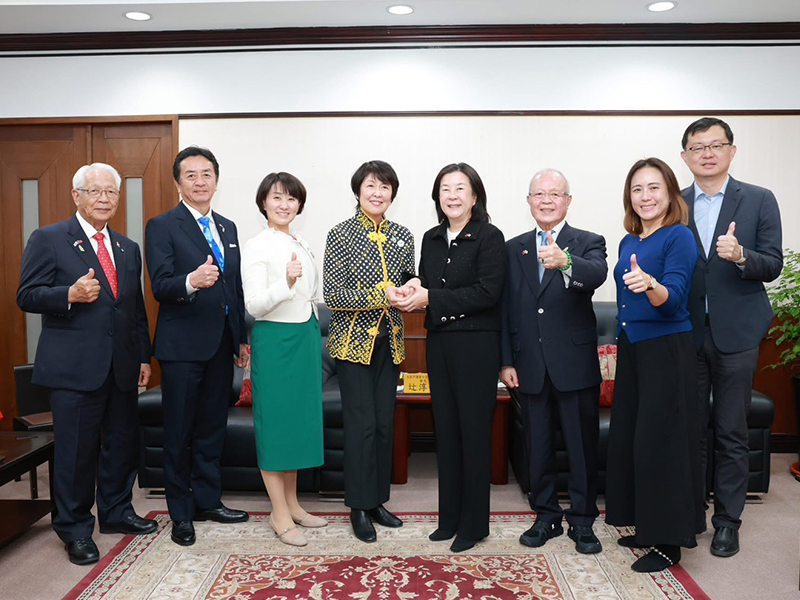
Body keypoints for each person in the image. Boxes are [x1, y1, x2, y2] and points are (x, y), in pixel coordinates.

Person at [17, 163, 155, 565]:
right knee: (76, 452)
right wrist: (68, 294)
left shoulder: (127, 247)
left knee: (120, 445)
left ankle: (116, 512)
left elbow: (134, 309)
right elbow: (27, 294)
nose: (104, 199)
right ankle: (75, 529)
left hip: (122, 365)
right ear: (76, 195)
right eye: (95, 191)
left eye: (111, 192)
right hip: (73, 368)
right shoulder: (49, 238)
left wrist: (143, 355)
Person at [680, 118, 783, 557]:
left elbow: (773, 263)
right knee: (690, 429)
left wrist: (742, 256)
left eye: (715, 145)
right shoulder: (674, 203)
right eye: (697, 147)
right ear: (684, 156)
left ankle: (727, 522)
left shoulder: (759, 199)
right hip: (685, 331)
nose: (707, 153)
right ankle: (690, 515)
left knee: (731, 429)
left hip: (737, 331)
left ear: (731, 151)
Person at [393, 163, 506, 553]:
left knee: (473, 433)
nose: (452, 195)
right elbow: (429, 281)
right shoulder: (432, 237)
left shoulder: (490, 237)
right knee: (447, 430)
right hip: (439, 343)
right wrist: (414, 285)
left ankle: (474, 525)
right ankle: (450, 519)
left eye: (461, 188)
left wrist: (431, 297)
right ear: (437, 197)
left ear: (475, 196)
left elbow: (487, 293)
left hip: (476, 346)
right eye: (445, 188)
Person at [145, 146, 249, 547]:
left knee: (211, 429)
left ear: (216, 181)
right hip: (182, 347)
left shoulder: (227, 227)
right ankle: (181, 513)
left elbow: (234, 288)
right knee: (179, 431)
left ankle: (208, 501)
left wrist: (240, 338)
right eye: (191, 175)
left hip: (221, 344)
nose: (200, 181)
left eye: (207, 174)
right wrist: (192, 281)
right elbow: (160, 285)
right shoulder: (162, 225)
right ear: (178, 182)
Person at [499, 169, 607, 555]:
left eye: (555, 194)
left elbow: (596, 275)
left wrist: (566, 262)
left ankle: (582, 520)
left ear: (568, 201)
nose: (546, 200)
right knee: (538, 447)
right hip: (529, 365)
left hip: (574, 364)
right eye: (539, 194)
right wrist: (505, 361)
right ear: (529, 201)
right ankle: (545, 515)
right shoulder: (512, 248)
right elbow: (505, 308)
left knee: (581, 447)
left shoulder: (588, 241)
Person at [605, 157, 703, 572]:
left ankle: (669, 542)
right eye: (637, 189)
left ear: (670, 193)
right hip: (633, 349)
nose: (645, 196)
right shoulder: (629, 242)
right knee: (632, 439)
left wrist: (651, 285)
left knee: (662, 444)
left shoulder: (679, 236)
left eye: (653, 188)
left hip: (666, 349)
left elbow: (675, 298)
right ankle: (646, 526)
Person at [322, 160, 415, 543]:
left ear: (393, 193)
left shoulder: (403, 235)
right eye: (371, 186)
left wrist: (411, 288)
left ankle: (377, 501)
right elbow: (333, 295)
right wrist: (382, 294)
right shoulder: (341, 234)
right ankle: (358, 507)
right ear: (358, 191)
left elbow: (408, 279)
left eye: (385, 187)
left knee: (382, 426)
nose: (378, 193)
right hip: (352, 346)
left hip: (390, 343)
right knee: (361, 426)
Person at [242, 172, 326, 547]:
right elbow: (254, 304)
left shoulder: (299, 242)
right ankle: (278, 513)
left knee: (295, 424)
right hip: (275, 340)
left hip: (304, 336)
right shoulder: (257, 245)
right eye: (277, 197)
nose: (284, 204)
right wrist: (286, 284)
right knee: (276, 427)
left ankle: (293, 505)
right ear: (263, 202)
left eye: (291, 199)